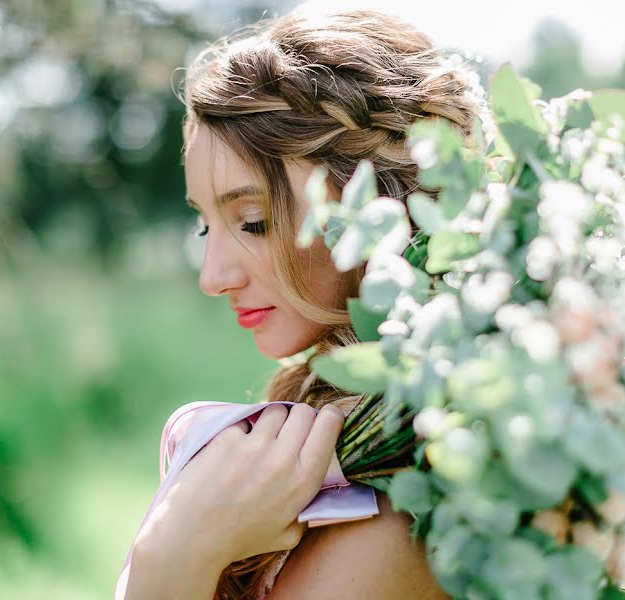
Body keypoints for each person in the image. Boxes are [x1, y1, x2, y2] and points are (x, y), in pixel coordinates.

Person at [124, 5, 482, 599]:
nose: (212, 277)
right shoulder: (333, 455)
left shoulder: (386, 531)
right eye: (206, 226)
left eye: (254, 221)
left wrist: (170, 561)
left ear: (384, 205)